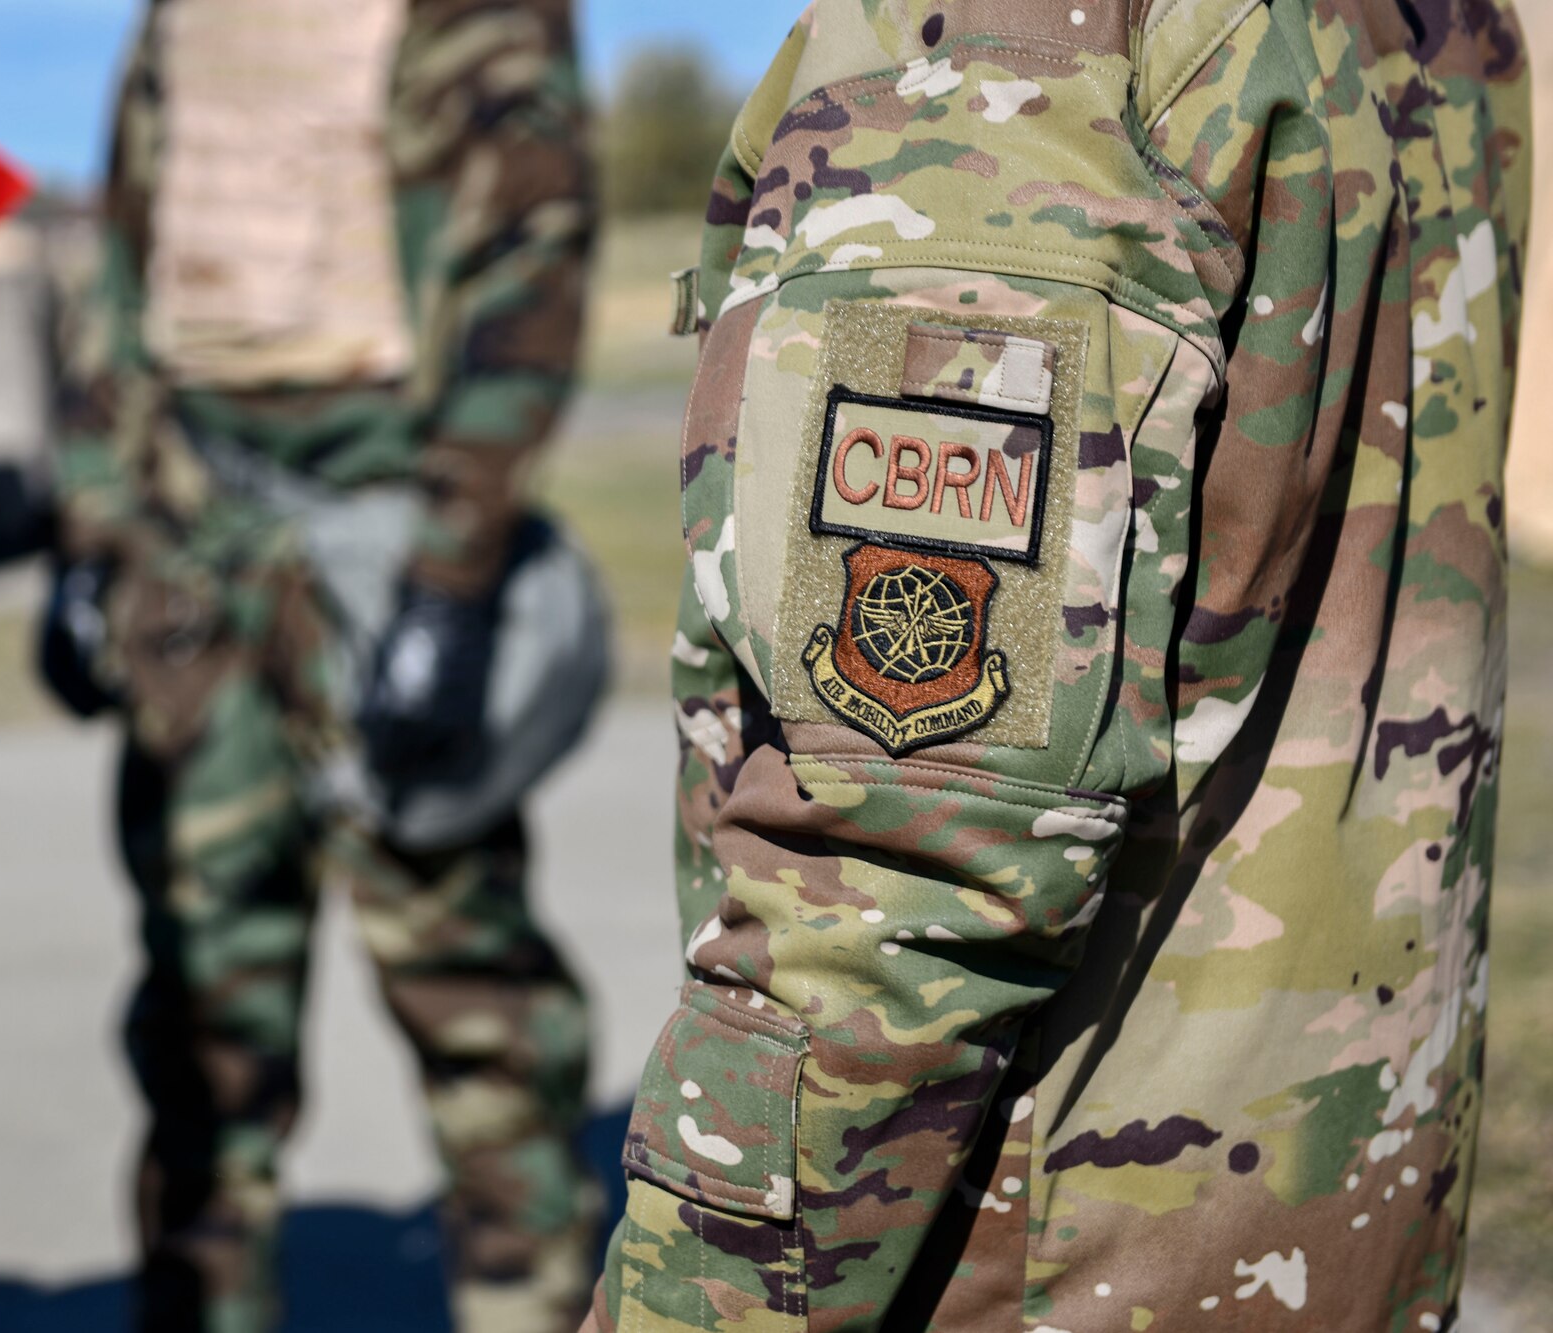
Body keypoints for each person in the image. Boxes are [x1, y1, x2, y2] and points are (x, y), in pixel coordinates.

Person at [587, 2, 1529, 1330]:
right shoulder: (1442, 32)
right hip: (1331, 1221)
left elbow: (896, 891)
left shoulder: (1022, 32)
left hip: (1029, 1257)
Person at [48, 1, 599, 1328]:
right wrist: (90, 529)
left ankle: (531, 1300)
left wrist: (454, 578)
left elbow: (534, 257)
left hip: (385, 541)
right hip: (191, 568)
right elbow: (124, 265)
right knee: (201, 1021)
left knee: (477, 1005)